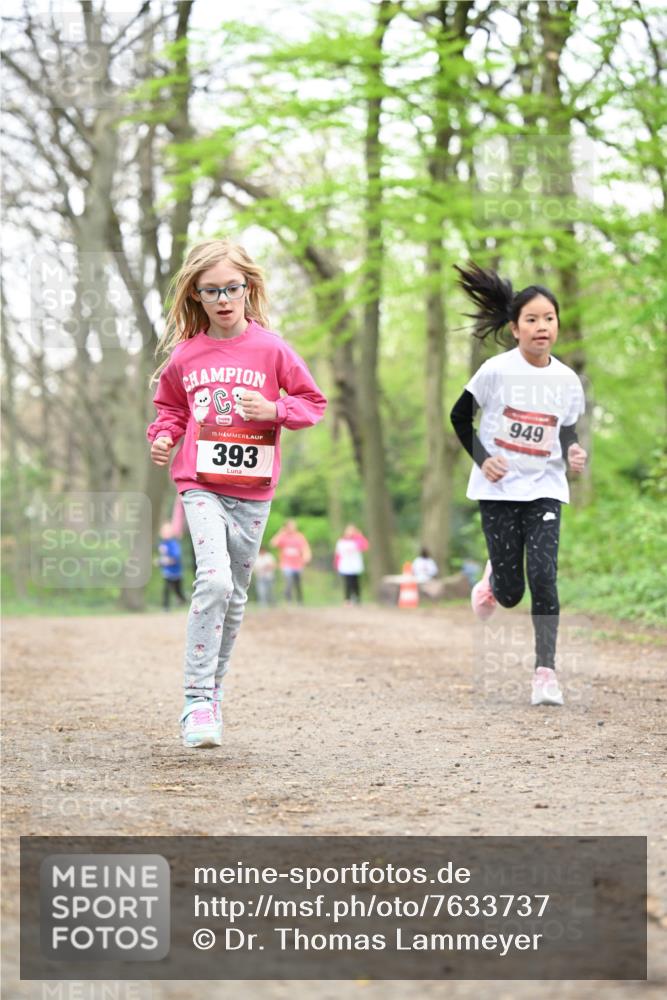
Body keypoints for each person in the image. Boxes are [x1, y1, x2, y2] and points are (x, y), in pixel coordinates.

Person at [147, 239, 327, 748]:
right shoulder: (187, 355)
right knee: (216, 582)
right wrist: (163, 437)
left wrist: (275, 411)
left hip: (253, 490)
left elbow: (313, 402)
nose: (224, 298)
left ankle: (214, 695)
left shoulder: (272, 349)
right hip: (200, 484)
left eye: (232, 288)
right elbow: (171, 409)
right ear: (196, 297)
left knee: (237, 597)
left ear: (248, 288)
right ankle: (196, 699)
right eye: (211, 291)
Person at [450, 261, 587, 707]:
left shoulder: (567, 379)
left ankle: (545, 672)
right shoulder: (495, 370)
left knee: (544, 577)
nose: (542, 326)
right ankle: (492, 578)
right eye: (532, 319)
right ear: (515, 328)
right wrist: (485, 460)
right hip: (499, 490)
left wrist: (572, 451)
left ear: (557, 326)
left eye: (549, 318)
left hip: (546, 486)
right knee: (510, 595)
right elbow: (458, 417)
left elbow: (565, 428)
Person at [270, 520, 311, 603]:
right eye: (290, 526)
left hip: (298, 564)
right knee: (288, 582)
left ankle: (300, 600)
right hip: (286, 564)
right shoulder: (283, 536)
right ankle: (288, 600)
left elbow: (305, 548)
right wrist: (280, 532)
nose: (292, 528)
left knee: (297, 583)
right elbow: (272, 544)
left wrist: (307, 556)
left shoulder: (299, 536)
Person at [334, 524, 369, 604]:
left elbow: (365, 546)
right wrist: (336, 563)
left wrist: (360, 536)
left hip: (355, 565)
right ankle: (347, 598)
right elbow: (338, 553)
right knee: (347, 582)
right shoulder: (341, 541)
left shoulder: (357, 541)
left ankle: (357, 597)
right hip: (345, 565)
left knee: (355, 582)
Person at [157, 521, 188, 610]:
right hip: (167, 572)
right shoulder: (162, 544)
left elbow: (176, 557)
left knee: (178, 590)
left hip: (176, 572)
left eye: (167, 531)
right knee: (166, 588)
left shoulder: (174, 544)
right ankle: (165, 606)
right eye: (163, 531)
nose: (165, 533)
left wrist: (166, 561)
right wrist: (160, 562)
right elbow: (163, 557)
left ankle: (183, 599)